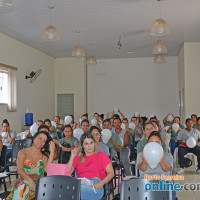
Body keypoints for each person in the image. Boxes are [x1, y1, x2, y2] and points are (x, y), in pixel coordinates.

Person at [6, 131, 55, 200]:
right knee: (24, 187)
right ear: (34, 138)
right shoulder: (23, 152)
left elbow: (48, 170)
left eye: (44, 141)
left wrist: (52, 151)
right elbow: (19, 170)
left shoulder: (44, 157)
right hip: (24, 182)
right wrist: (30, 180)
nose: (41, 142)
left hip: (38, 185)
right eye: (39, 138)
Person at [67, 133, 114, 200]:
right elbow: (68, 171)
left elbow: (111, 173)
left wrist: (101, 183)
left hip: (95, 185)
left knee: (77, 191)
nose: (89, 146)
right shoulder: (78, 157)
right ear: (82, 146)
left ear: (94, 143)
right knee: (66, 189)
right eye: (86, 144)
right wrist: (72, 156)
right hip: (80, 183)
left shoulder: (101, 155)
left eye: (91, 143)